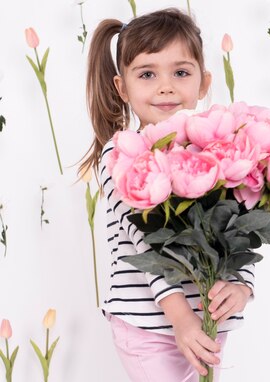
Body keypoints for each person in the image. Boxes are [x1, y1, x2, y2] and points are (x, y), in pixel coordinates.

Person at [79, 8, 254, 382]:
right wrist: (181, 318)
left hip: (205, 320)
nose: (165, 86)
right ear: (121, 87)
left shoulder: (217, 149)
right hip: (150, 325)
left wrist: (242, 286)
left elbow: (241, 225)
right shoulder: (120, 154)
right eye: (147, 74)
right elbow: (143, 240)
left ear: (203, 83)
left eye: (180, 72)